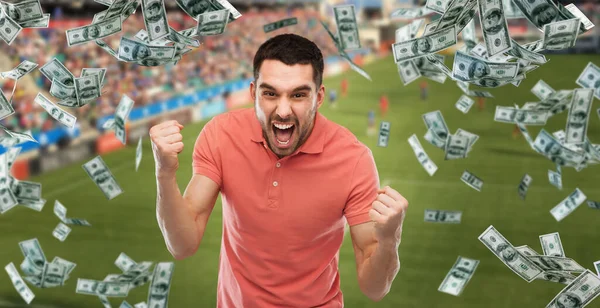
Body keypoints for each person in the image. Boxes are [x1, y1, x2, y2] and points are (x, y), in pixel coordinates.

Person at [150, 34, 409, 307]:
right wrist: (164, 173)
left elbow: (374, 288)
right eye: (270, 93)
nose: (283, 111)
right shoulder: (220, 134)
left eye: (298, 95)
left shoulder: (354, 159)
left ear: (319, 97)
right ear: (253, 93)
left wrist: (390, 238)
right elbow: (182, 244)